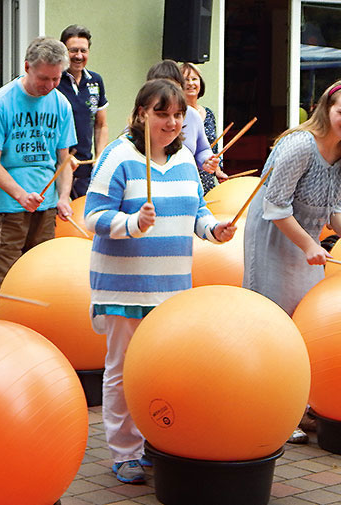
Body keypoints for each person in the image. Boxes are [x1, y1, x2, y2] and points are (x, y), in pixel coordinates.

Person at [85, 78, 235, 484]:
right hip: (124, 288)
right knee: (122, 370)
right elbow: (92, 217)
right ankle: (124, 451)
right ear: (141, 114)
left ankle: (154, 440)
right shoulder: (118, 158)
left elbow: (197, 209)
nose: (171, 123)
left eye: (178, 115)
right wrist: (132, 224)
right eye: (162, 114)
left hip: (172, 291)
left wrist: (212, 229)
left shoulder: (185, 157)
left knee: (162, 371)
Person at [242, 80, 341, 444]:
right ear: (325, 110)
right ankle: (275, 412)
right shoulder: (299, 145)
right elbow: (275, 206)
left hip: (306, 244)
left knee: (306, 323)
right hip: (275, 238)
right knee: (276, 324)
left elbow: (333, 204)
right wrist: (307, 245)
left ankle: (301, 404)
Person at [0, 36, 77, 319]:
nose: (49, 86)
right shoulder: (1, 103)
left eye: (56, 79)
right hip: (9, 208)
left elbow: (64, 160)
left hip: (45, 207)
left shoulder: (61, 104)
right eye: (43, 78)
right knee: (2, 282)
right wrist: (21, 195)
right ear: (26, 67)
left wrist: (63, 197)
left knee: (40, 280)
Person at [146, 60, 222, 188]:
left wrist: (207, 161)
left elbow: (202, 149)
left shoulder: (192, 115)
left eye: (174, 87)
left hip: (187, 186)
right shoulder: (144, 116)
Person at [56, 24, 108, 197]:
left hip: (85, 168)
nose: (79, 56)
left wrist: (100, 156)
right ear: (63, 51)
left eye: (83, 51)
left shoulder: (96, 80)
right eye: (73, 50)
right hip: (58, 167)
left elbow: (101, 125)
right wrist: (64, 157)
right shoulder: (54, 81)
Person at [180, 61, 227, 192]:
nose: (191, 83)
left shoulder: (208, 113)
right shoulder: (176, 116)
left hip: (207, 182)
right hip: (186, 181)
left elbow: (212, 149)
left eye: (194, 79)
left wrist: (217, 171)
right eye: (186, 80)